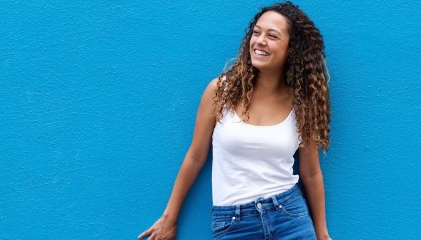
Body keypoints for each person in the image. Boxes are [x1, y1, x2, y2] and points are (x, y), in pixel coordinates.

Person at [139, 1, 332, 239]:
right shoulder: (220, 91)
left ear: (292, 49)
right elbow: (196, 156)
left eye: (272, 36)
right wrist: (170, 217)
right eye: (257, 32)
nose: (260, 40)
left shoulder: (302, 103)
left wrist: (322, 233)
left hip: (289, 218)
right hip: (233, 224)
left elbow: (311, 172)